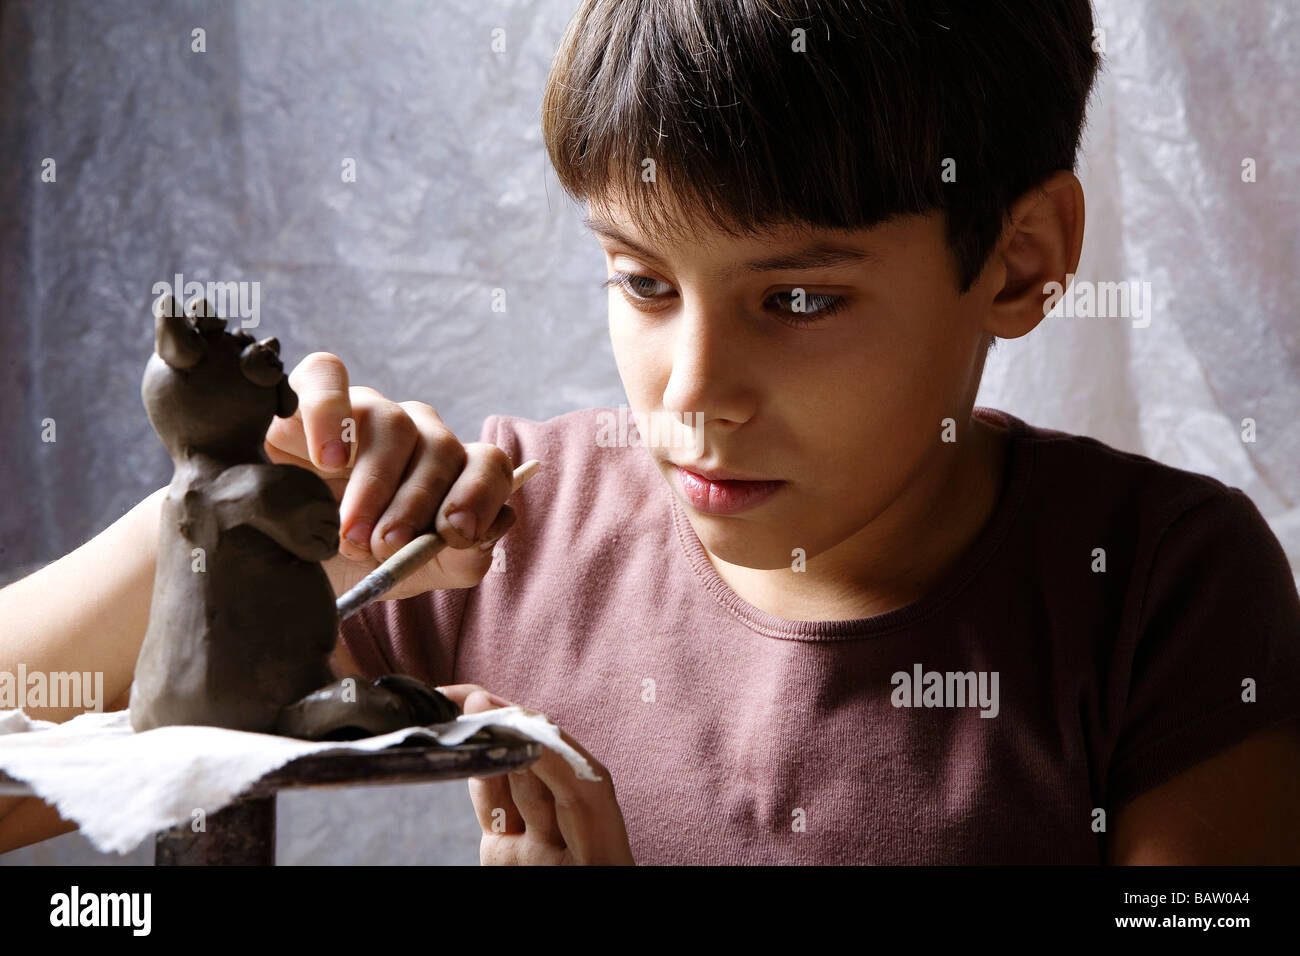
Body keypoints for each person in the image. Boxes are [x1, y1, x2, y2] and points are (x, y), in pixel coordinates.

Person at [3, 0, 1298, 864]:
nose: (691, 393)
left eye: (796, 299)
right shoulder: (499, 530)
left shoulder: (1160, 589)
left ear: (1020, 262)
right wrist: (241, 537)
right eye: (642, 282)